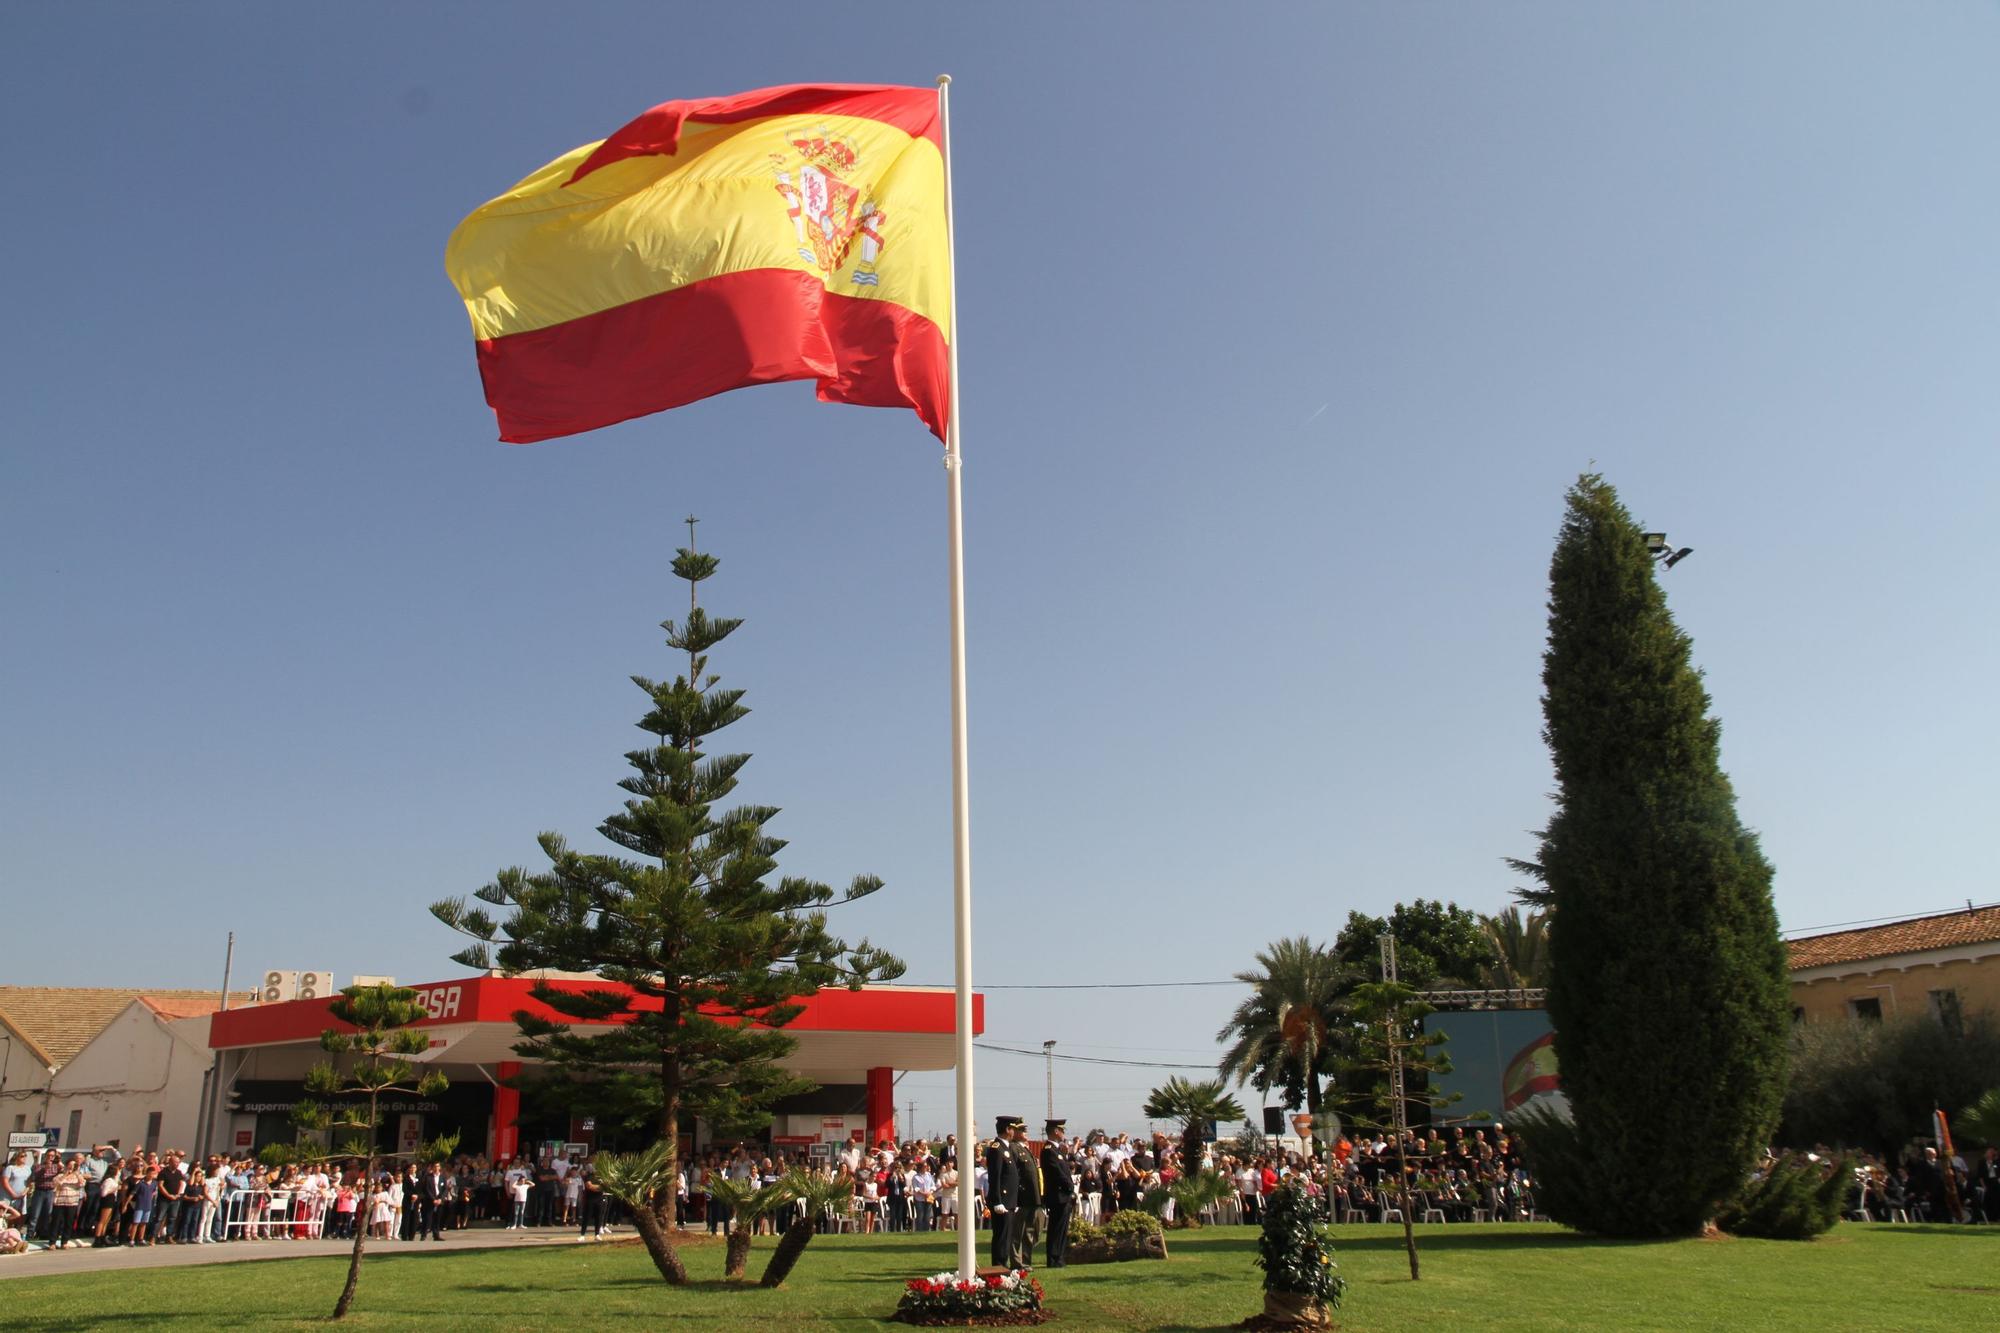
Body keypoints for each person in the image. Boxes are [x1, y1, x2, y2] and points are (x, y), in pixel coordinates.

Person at [983, 1119, 1021, 1268]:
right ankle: (999, 1267)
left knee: (1007, 1237)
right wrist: (997, 1200)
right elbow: (995, 1176)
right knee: (1001, 1237)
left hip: (1009, 1201)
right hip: (1002, 1201)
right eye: (1012, 1128)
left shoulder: (1007, 1148)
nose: (1014, 1132)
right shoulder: (996, 1148)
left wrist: (1014, 1200)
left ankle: (1003, 1267)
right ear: (1007, 1129)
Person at [1040, 1119, 1075, 1269]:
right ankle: (1054, 1258)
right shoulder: (1048, 1150)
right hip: (1057, 1196)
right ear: (1056, 1131)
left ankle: (1059, 1257)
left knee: (1062, 1229)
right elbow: (1057, 1173)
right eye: (1062, 1130)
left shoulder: (1058, 1150)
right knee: (1056, 1229)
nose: (1063, 1133)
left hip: (1063, 1196)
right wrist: (1069, 1187)